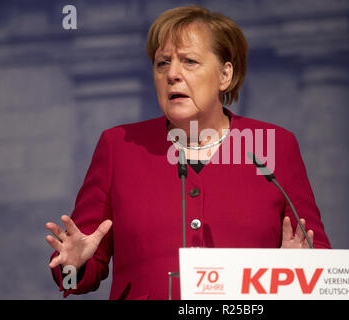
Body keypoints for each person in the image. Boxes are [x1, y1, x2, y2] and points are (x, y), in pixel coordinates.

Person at [45, 5, 331, 300]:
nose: (172, 74)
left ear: (225, 75)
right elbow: (74, 280)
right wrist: (72, 267)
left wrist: (300, 270)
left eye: (189, 61)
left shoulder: (273, 146)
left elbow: (317, 255)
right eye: (162, 63)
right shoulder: (119, 146)